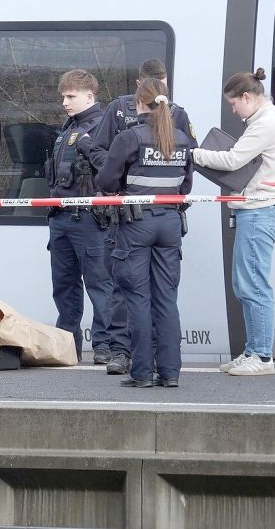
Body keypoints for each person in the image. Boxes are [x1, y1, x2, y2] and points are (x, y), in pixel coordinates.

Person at [83, 58, 198, 376]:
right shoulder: (182, 140)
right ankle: (171, 372)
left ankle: (142, 372)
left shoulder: (130, 138)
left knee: (134, 295)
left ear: (138, 102)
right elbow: (186, 185)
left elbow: (106, 181)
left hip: (135, 223)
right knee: (166, 297)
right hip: (170, 223)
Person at [192, 68, 275, 376]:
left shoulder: (265, 124)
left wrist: (195, 154)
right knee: (245, 284)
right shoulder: (264, 120)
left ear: (247, 97)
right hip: (256, 211)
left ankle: (261, 357)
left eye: (234, 104)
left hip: (259, 212)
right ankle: (251, 350)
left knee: (253, 286)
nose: (233, 110)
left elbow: (233, 160)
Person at [45, 69, 113, 364]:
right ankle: (67, 343)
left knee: (100, 284)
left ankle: (105, 345)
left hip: (89, 219)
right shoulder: (67, 129)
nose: (65, 102)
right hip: (61, 217)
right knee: (64, 285)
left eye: (70, 96)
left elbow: (109, 171)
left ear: (90, 96)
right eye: (63, 96)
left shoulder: (101, 127)